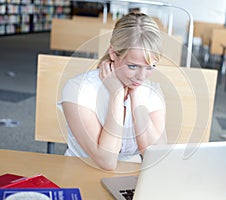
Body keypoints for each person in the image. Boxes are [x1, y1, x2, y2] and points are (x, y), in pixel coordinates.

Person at [59, 12, 167, 170]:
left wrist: (136, 95)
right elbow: (106, 161)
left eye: (150, 67)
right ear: (113, 53)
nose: (142, 77)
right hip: (81, 173)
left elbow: (158, 156)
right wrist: (116, 94)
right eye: (133, 66)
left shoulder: (152, 92)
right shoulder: (78, 89)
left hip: (133, 179)